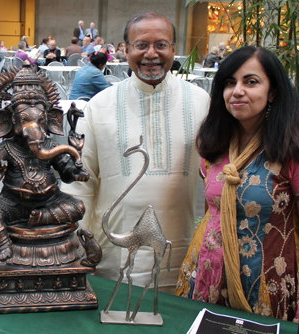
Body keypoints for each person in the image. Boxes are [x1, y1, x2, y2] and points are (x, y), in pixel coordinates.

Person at [175, 46, 299, 321]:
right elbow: (213, 210)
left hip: (267, 284)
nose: (237, 91)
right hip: (207, 276)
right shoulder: (215, 143)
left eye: (251, 82)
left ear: (272, 92)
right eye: (229, 82)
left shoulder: (296, 150)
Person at [61, 10, 209, 293]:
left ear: (174, 49)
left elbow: (217, 180)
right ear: (125, 50)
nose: (151, 53)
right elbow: (81, 182)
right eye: (141, 45)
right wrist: (75, 245)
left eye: (161, 45)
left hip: (180, 256)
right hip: (110, 255)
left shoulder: (201, 103)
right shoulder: (99, 105)